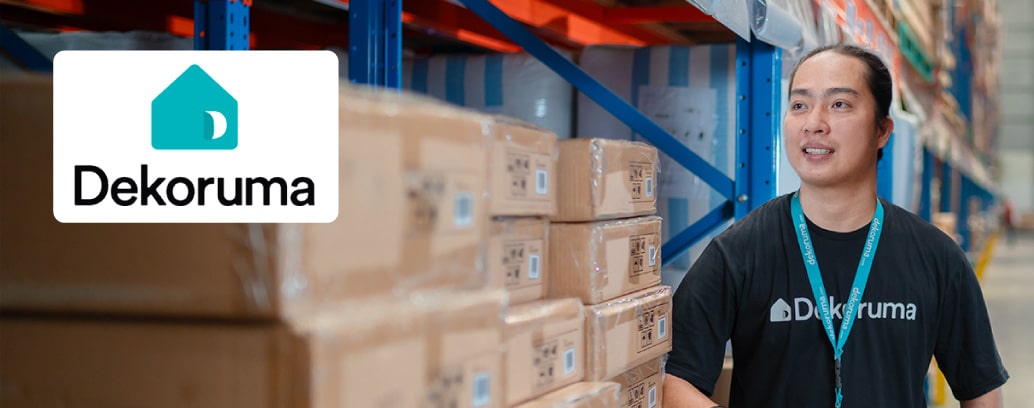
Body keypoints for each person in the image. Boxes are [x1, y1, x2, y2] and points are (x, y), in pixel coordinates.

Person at [662, 43, 1009, 407]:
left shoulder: (936, 257)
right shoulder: (738, 253)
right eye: (799, 105)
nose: (814, 123)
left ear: (882, 130)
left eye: (839, 104)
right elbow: (675, 382)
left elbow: (981, 390)